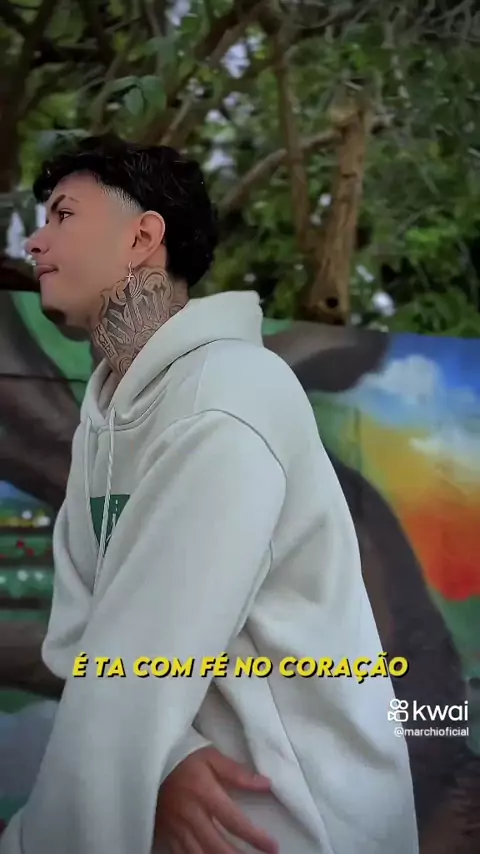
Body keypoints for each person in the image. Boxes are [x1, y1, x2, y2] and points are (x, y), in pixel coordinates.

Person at [0, 135, 418, 854]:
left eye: (63, 216)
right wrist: (168, 758)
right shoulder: (105, 418)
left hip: (288, 821)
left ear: (142, 238)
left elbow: (136, 662)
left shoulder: (226, 399)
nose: (36, 243)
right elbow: (80, 633)